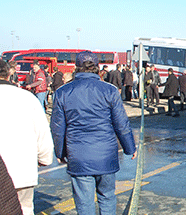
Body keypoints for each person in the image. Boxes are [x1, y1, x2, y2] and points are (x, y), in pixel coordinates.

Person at [50, 51, 137, 215]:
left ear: (77, 68)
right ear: (97, 68)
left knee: (84, 203)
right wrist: (130, 148)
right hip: (105, 155)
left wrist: (60, 152)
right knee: (107, 197)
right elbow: (121, 123)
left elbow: (57, 128)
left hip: (78, 155)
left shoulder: (62, 92)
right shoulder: (109, 90)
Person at [0, 60, 54, 215]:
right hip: (22, 170)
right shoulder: (27, 98)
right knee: (24, 209)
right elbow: (42, 133)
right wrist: (45, 158)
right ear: (9, 73)